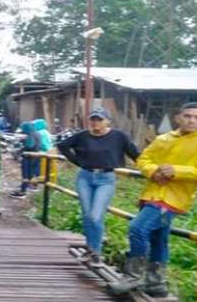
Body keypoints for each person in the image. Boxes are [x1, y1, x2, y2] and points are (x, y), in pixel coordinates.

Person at [109, 102, 197, 296]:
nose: (191, 120)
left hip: (173, 198)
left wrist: (177, 171)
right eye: (187, 116)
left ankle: (132, 277)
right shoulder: (164, 138)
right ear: (178, 117)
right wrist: (153, 171)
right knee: (159, 239)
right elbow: (144, 159)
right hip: (151, 193)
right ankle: (156, 283)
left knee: (137, 229)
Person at [57, 108, 140, 267]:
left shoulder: (119, 136)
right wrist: (77, 161)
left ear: (108, 121)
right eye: (93, 119)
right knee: (87, 215)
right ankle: (91, 251)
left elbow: (136, 155)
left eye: (99, 120)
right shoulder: (82, 136)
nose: (95, 123)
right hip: (85, 178)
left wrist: (150, 171)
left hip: (106, 179)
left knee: (96, 216)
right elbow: (63, 146)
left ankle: (96, 251)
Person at [10, 121, 42, 198]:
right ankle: (24, 188)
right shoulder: (37, 133)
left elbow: (30, 145)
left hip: (29, 157)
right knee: (31, 174)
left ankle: (22, 191)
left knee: (26, 175)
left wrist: (22, 145)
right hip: (36, 156)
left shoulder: (30, 135)